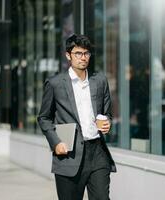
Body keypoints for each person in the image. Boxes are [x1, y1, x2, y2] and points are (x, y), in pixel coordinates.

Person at [37, 34, 116, 200]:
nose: (83, 58)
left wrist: (107, 122)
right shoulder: (55, 83)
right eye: (78, 53)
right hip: (69, 155)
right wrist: (55, 142)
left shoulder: (100, 80)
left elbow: (107, 113)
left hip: (97, 153)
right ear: (68, 55)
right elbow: (44, 118)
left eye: (86, 53)